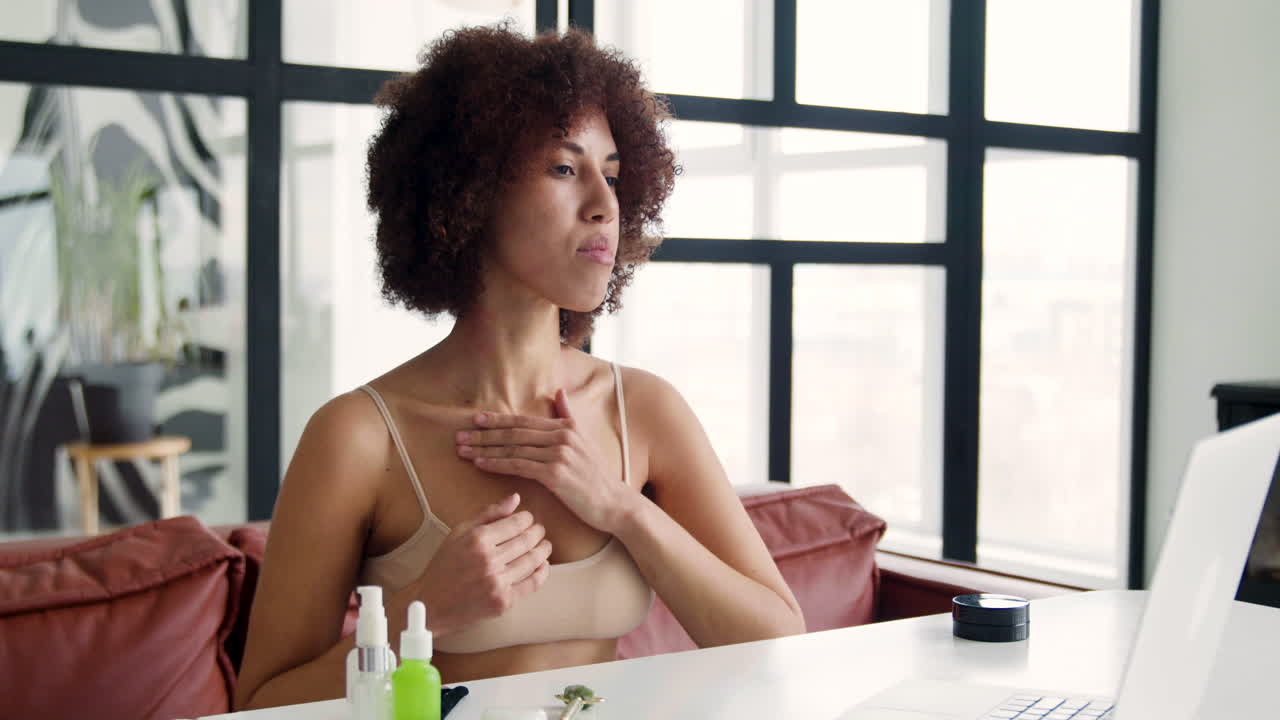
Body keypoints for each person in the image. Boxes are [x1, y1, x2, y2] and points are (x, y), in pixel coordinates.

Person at [234, 22, 805, 710]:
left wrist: (621, 508)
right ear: (469, 189)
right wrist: (422, 617)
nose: (605, 205)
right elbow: (261, 704)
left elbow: (780, 642)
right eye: (565, 169)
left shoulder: (644, 411)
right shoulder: (359, 436)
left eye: (612, 175)